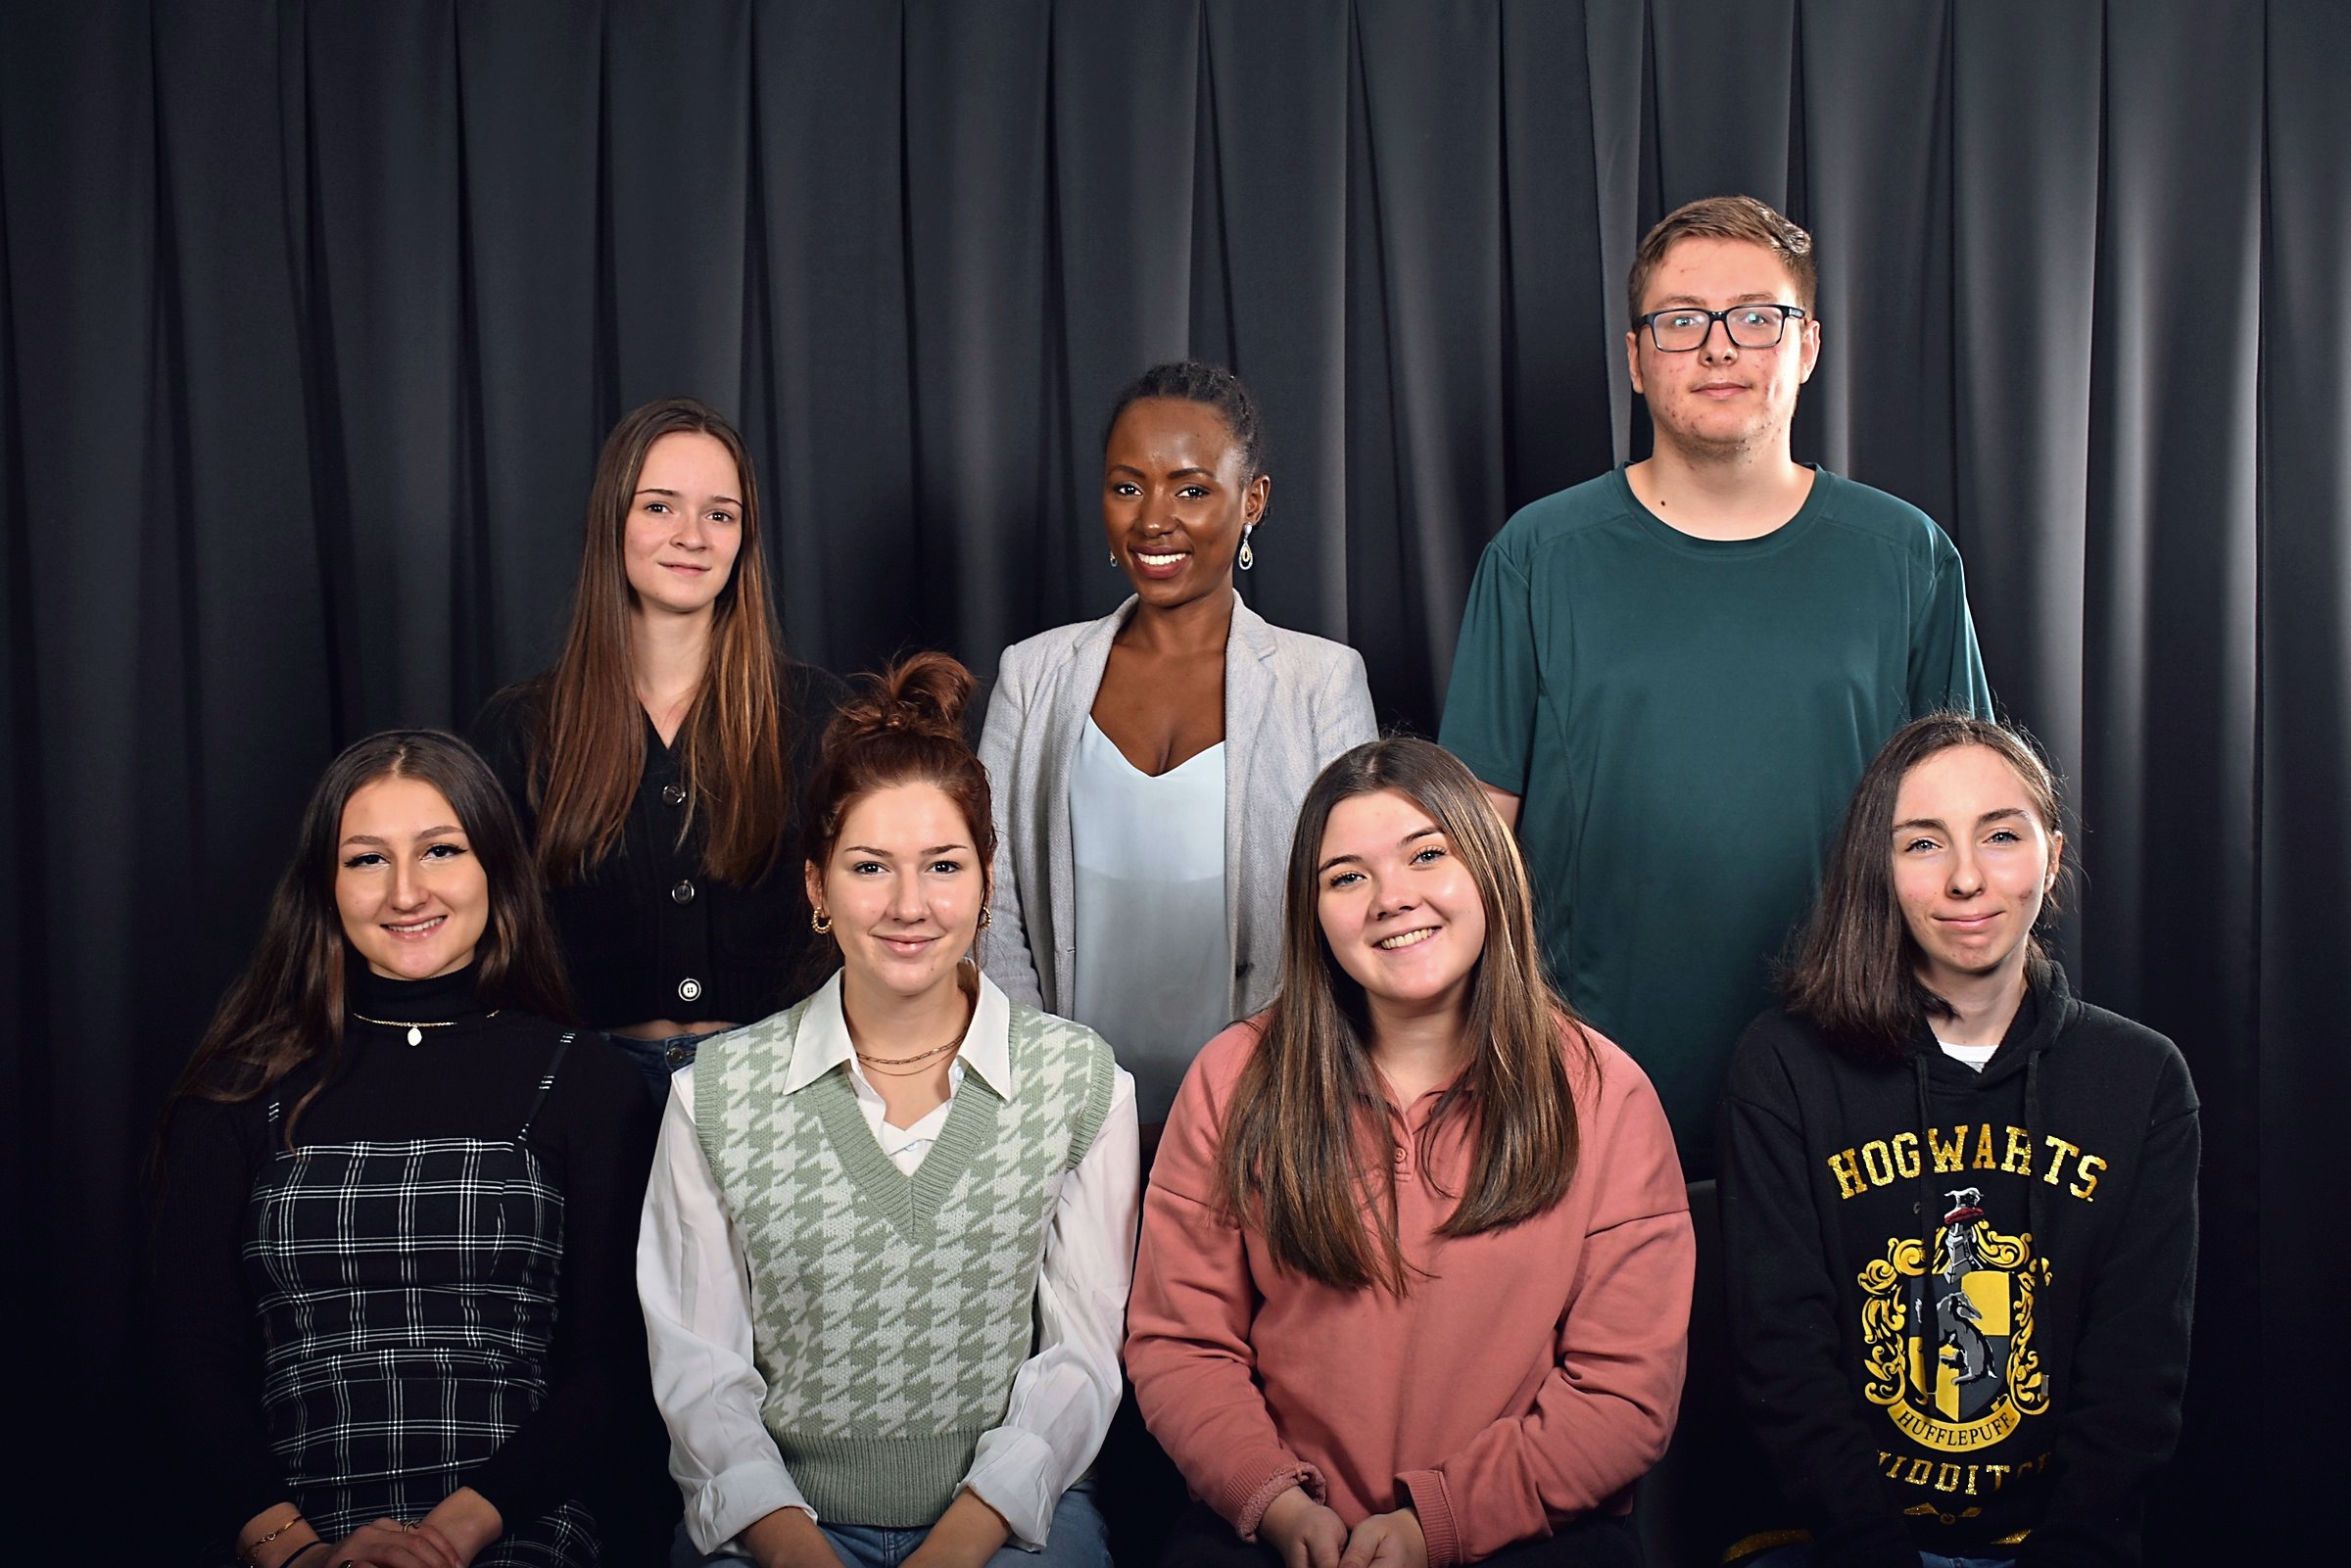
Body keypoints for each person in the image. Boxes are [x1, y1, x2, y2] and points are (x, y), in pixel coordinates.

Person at [1439, 196, 1992, 1177]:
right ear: (1636, 356)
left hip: (1855, 1075)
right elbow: (1473, 838)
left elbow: (1969, 834)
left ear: (1807, 345)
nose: (1719, 346)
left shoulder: (1906, 555)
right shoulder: (1538, 556)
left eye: (1756, 317)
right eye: (1682, 319)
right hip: (1587, 1083)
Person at [1128, 737, 1693, 1568]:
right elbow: (1183, 1346)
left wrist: (1436, 1525)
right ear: (1313, 913)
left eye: (1427, 854)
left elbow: (1623, 1394)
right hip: (1282, 1531)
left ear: (1489, 871)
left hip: (1529, 1535)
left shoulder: (1609, 1095)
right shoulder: (1232, 1080)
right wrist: (1278, 1504)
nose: (1392, 898)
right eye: (1346, 876)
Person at [640, 652, 1140, 1568]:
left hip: (1007, 1521)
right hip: (778, 1519)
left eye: (943, 865)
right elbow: (699, 1371)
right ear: (817, 887)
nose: (910, 905)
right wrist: (793, 1546)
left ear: (987, 883)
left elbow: (1079, 1359)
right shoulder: (714, 1092)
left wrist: (961, 1540)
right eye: (869, 867)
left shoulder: (1082, 1083)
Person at [151, 731, 658, 1568]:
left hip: (516, 1529)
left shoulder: (588, 1082)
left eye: (440, 850)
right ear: (325, 885)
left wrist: (450, 1535)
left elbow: (611, 1369)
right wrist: (300, 1551)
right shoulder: (237, 1089)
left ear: (494, 865)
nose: (406, 891)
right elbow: (191, 1361)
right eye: (367, 859)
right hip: (287, 1537)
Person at [1719, 715, 2197, 1568]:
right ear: (1879, 870)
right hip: (1838, 1545)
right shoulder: (1782, 1065)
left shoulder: (2142, 1078)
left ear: (2052, 856)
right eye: (1923, 843)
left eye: (2001, 835)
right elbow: (1783, 1361)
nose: (1967, 877)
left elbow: (2134, 1384)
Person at [979, 359, 1376, 1137]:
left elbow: (1354, 899)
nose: (1153, 519)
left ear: (1252, 499)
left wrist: (1270, 1096)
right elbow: (989, 897)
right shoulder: (1033, 674)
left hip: (1259, 1116)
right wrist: (1044, 1080)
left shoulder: (1322, 682)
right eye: (1127, 487)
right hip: (1065, 1113)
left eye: (1191, 490)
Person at [473, 396, 847, 1102]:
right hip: (583, 1090)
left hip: (780, 1087)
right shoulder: (524, 727)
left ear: (743, 539)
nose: (692, 536)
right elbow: (491, 942)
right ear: (611, 521)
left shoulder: (818, 714)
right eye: (658, 507)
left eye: (720, 514)